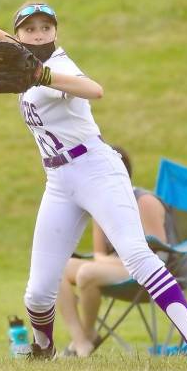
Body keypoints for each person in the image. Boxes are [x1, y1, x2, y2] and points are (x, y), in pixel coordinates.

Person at [0, 0, 187, 364]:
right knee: (38, 291)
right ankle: (43, 350)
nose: (38, 33)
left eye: (46, 27)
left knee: (135, 254)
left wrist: (43, 76)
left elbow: (94, 89)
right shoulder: (26, 60)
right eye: (30, 28)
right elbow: (17, 48)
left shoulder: (58, 65)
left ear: (56, 31)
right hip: (58, 179)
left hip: (96, 169)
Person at [58, 146, 168, 357]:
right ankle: (80, 341)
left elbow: (158, 251)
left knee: (86, 273)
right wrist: (104, 262)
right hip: (115, 267)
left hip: (148, 271)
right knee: (55, 270)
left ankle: (89, 335)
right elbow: (99, 253)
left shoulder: (144, 201)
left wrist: (106, 263)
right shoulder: (100, 203)